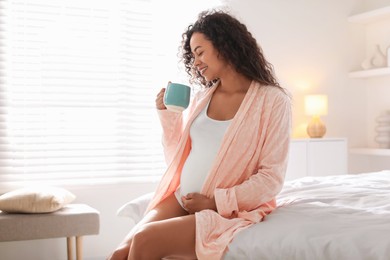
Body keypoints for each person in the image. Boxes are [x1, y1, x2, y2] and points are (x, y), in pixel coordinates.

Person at [108, 9, 291, 260]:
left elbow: (271, 178)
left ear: (225, 46)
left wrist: (215, 202)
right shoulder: (203, 99)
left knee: (144, 240)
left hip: (223, 210)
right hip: (182, 197)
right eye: (192, 56)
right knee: (119, 253)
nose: (195, 63)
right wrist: (168, 116)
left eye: (200, 52)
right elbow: (177, 160)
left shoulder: (272, 101)